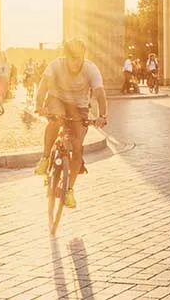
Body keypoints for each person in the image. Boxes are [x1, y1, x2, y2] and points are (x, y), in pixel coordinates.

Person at [34, 39, 108, 210]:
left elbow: (99, 93)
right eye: (72, 57)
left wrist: (102, 115)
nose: (76, 61)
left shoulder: (91, 69)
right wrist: (39, 105)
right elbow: (43, 85)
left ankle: (69, 190)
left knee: (77, 147)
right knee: (57, 118)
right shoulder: (55, 65)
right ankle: (45, 157)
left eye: (79, 57)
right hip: (57, 100)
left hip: (80, 107)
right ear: (65, 56)